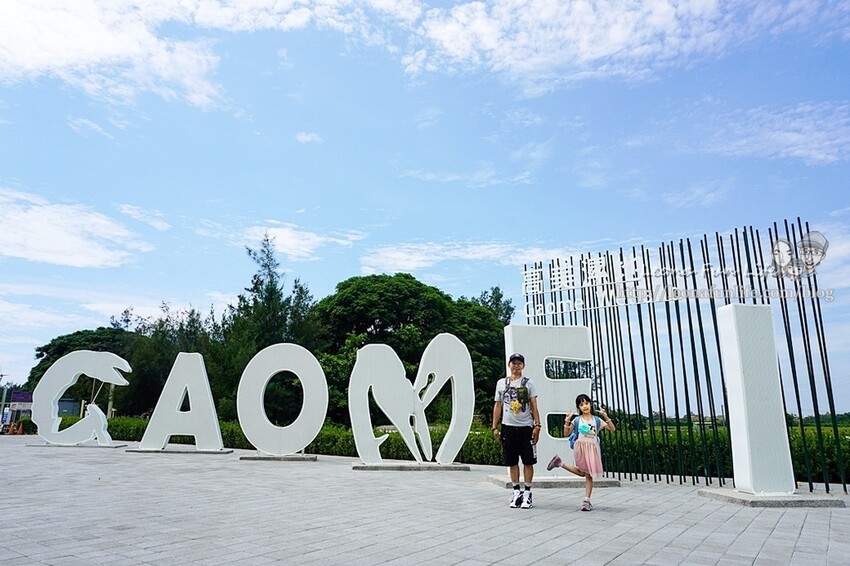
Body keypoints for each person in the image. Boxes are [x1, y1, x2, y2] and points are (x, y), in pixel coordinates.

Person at [546, 393, 615, 511]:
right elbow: (566, 433)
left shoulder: (596, 420)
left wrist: (605, 415)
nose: (585, 406)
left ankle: (560, 463)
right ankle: (586, 501)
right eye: (581, 404)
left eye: (586, 403)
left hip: (593, 449)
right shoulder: (577, 420)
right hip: (581, 449)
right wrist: (567, 421)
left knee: (586, 474)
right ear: (579, 407)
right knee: (586, 474)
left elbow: (612, 428)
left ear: (590, 404)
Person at [492, 353, 541, 509]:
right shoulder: (502, 383)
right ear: (509, 365)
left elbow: (534, 404)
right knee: (511, 461)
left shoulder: (528, 383)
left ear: (523, 366)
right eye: (514, 363)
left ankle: (527, 492)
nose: (516, 366)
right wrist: (494, 426)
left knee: (528, 460)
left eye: (519, 363)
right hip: (508, 426)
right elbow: (498, 405)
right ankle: (516, 491)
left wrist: (537, 425)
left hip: (526, 427)